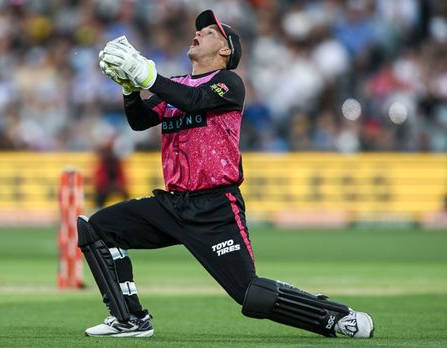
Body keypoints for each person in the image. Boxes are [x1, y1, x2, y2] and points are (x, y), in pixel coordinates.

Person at [77, 9, 374, 339]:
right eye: (200, 30)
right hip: (173, 204)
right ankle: (129, 319)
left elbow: (194, 99)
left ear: (225, 51)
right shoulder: (175, 84)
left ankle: (336, 318)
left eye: (210, 33)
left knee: (250, 294)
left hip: (216, 207)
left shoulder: (229, 82)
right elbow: (141, 120)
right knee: (95, 229)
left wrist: (148, 77)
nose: (200, 33)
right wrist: (130, 88)